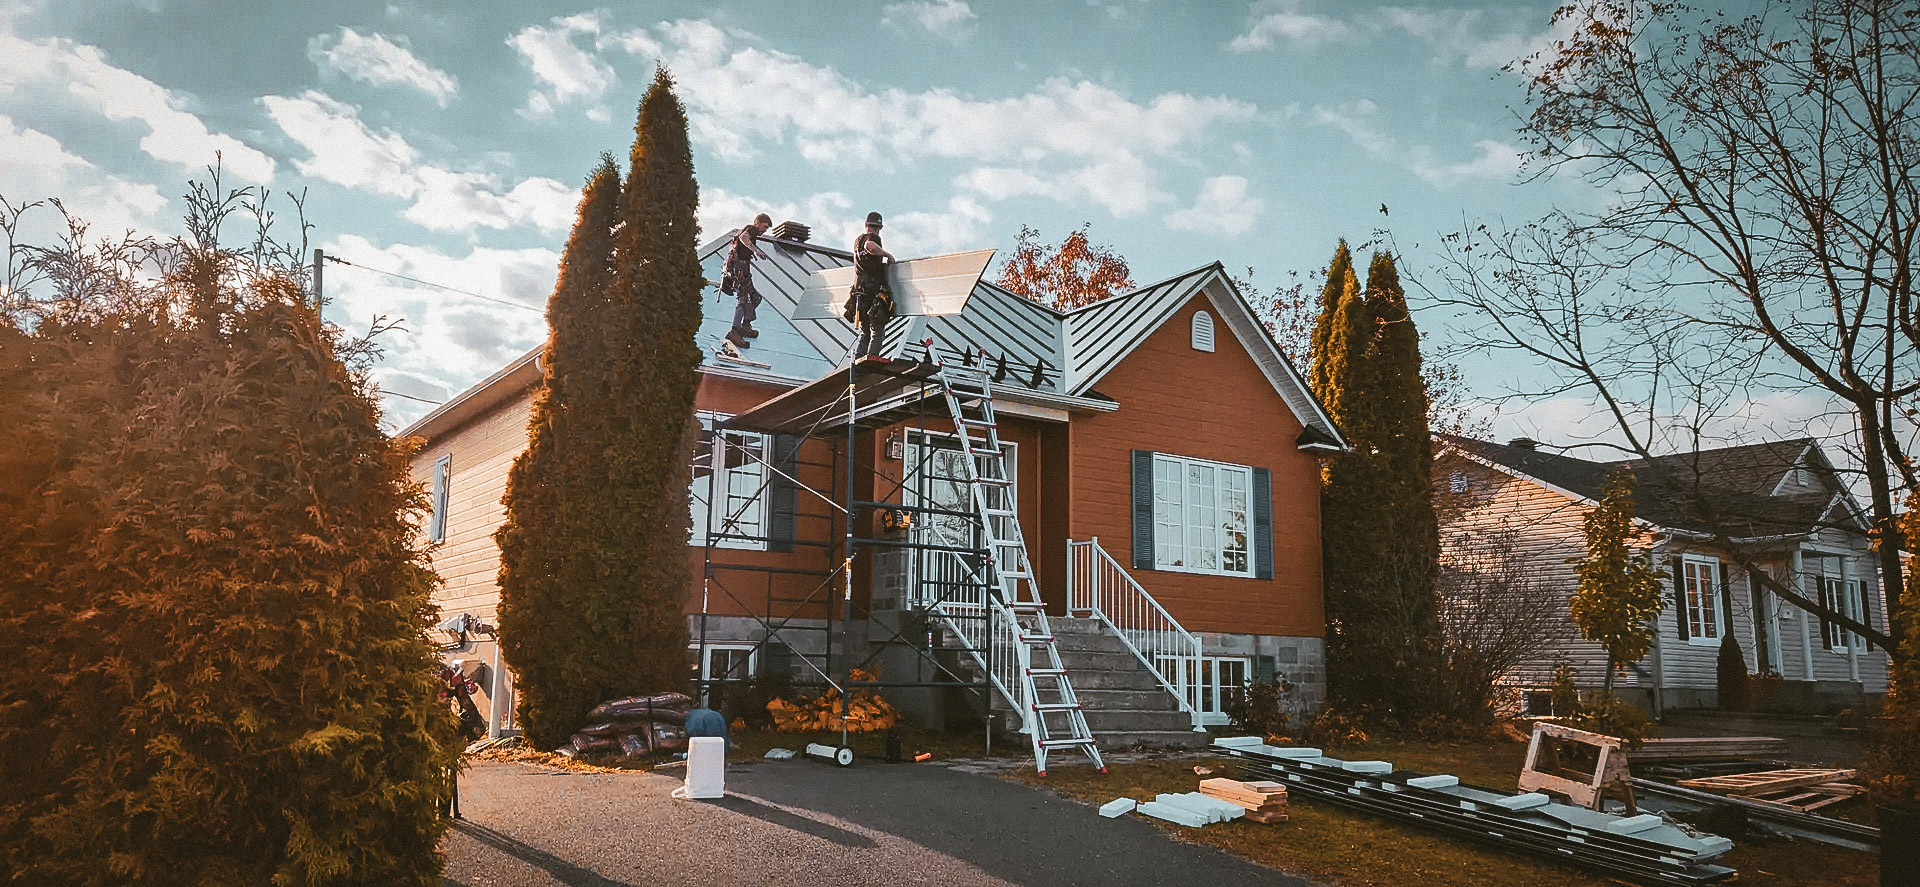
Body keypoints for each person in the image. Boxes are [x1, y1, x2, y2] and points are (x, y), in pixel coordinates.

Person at [847, 211, 895, 361]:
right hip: (873, 292)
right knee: (877, 331)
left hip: (860, 293)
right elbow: (870, 246)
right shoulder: (873, 238)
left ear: (866, 224)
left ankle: (858, 360)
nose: (876, 230)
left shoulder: (857, 241)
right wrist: (887, 255)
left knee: (865, 332)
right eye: (876, 228)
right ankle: (872, 359)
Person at [721, 213, 772, 354]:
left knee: (754, 297)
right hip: (739, 270)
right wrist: (756, 251)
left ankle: (746, 325)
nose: (764, 230)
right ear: (758, 223)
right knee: (743, 300)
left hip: (741, 270)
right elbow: (744, 238)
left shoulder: (749, 232)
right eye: (764, 227)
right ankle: (735, 330)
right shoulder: (751, 229)